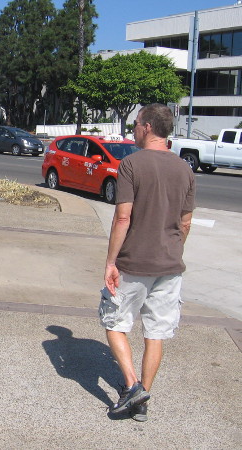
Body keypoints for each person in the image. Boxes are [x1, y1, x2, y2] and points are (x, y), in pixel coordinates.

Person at [100, 103, 195, 422]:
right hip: (170, 265)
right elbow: (186, 222)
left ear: (149, 127)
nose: (135, 128)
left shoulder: (131, 164)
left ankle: (132, 386)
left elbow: (122, 216)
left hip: (133, 262)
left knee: (114, 323)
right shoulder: (185, 169)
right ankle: (141, 402)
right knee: (155, 333)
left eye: (137, 123)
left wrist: (111, 261)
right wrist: (173, 251)